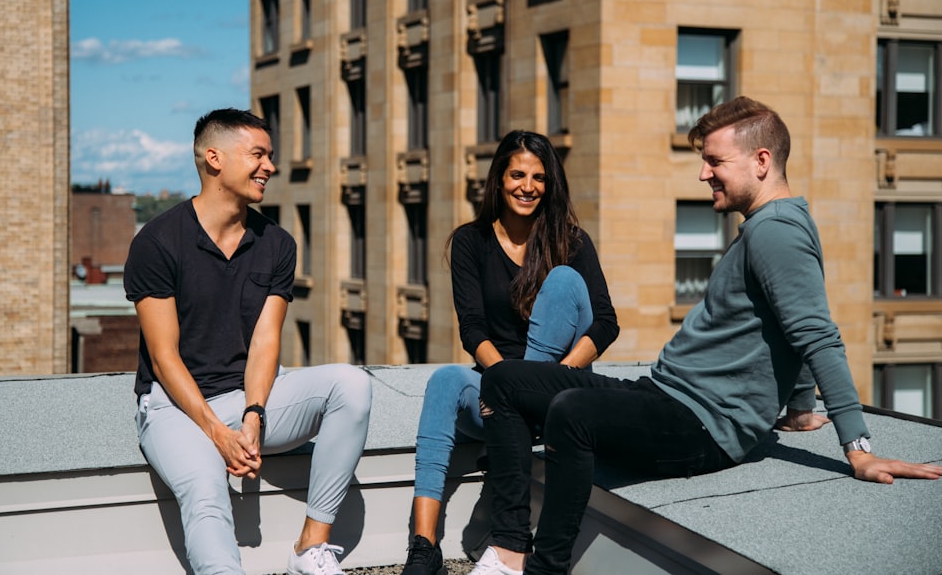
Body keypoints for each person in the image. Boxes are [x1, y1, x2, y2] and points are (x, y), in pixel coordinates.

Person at [471, 97, 942, 575]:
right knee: (505, 380)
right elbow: (788, 321)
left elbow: (816, 334)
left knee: (571, 413)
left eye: (715, 161)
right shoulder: (770, 225)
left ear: (762, 162)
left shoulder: (776, 233)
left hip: (699, 426)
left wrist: (857, 450)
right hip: (663, 399)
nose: (703, 174)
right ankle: (510, 546)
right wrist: (800, 410)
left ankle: (542, 568)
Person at [124, 108, 372, 575]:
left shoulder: (276, 244)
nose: (270, 167)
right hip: (174, 407)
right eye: (258, 154)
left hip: (246, 399)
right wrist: (218, 433)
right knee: (205, 487)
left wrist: (254, 415)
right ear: (214, 158)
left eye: (270, 156)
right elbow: (163, 356)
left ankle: (310, 548)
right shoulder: (157, 242)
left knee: (352, 385)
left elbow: (264, 343)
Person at [401, 131, 620, 575]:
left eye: (539, 178)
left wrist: (545, 380)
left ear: (550, 184)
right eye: (517, 174)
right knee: (444, 381)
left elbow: (604, 323)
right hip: (496, 392)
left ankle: (509, 544)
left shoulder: (572, 242)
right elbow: (473, 329)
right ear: (499, 179)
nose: (528, 186)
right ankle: (423, 547)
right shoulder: (470, 242)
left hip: (559, 393)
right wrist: (503, 386)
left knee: (563, 283)